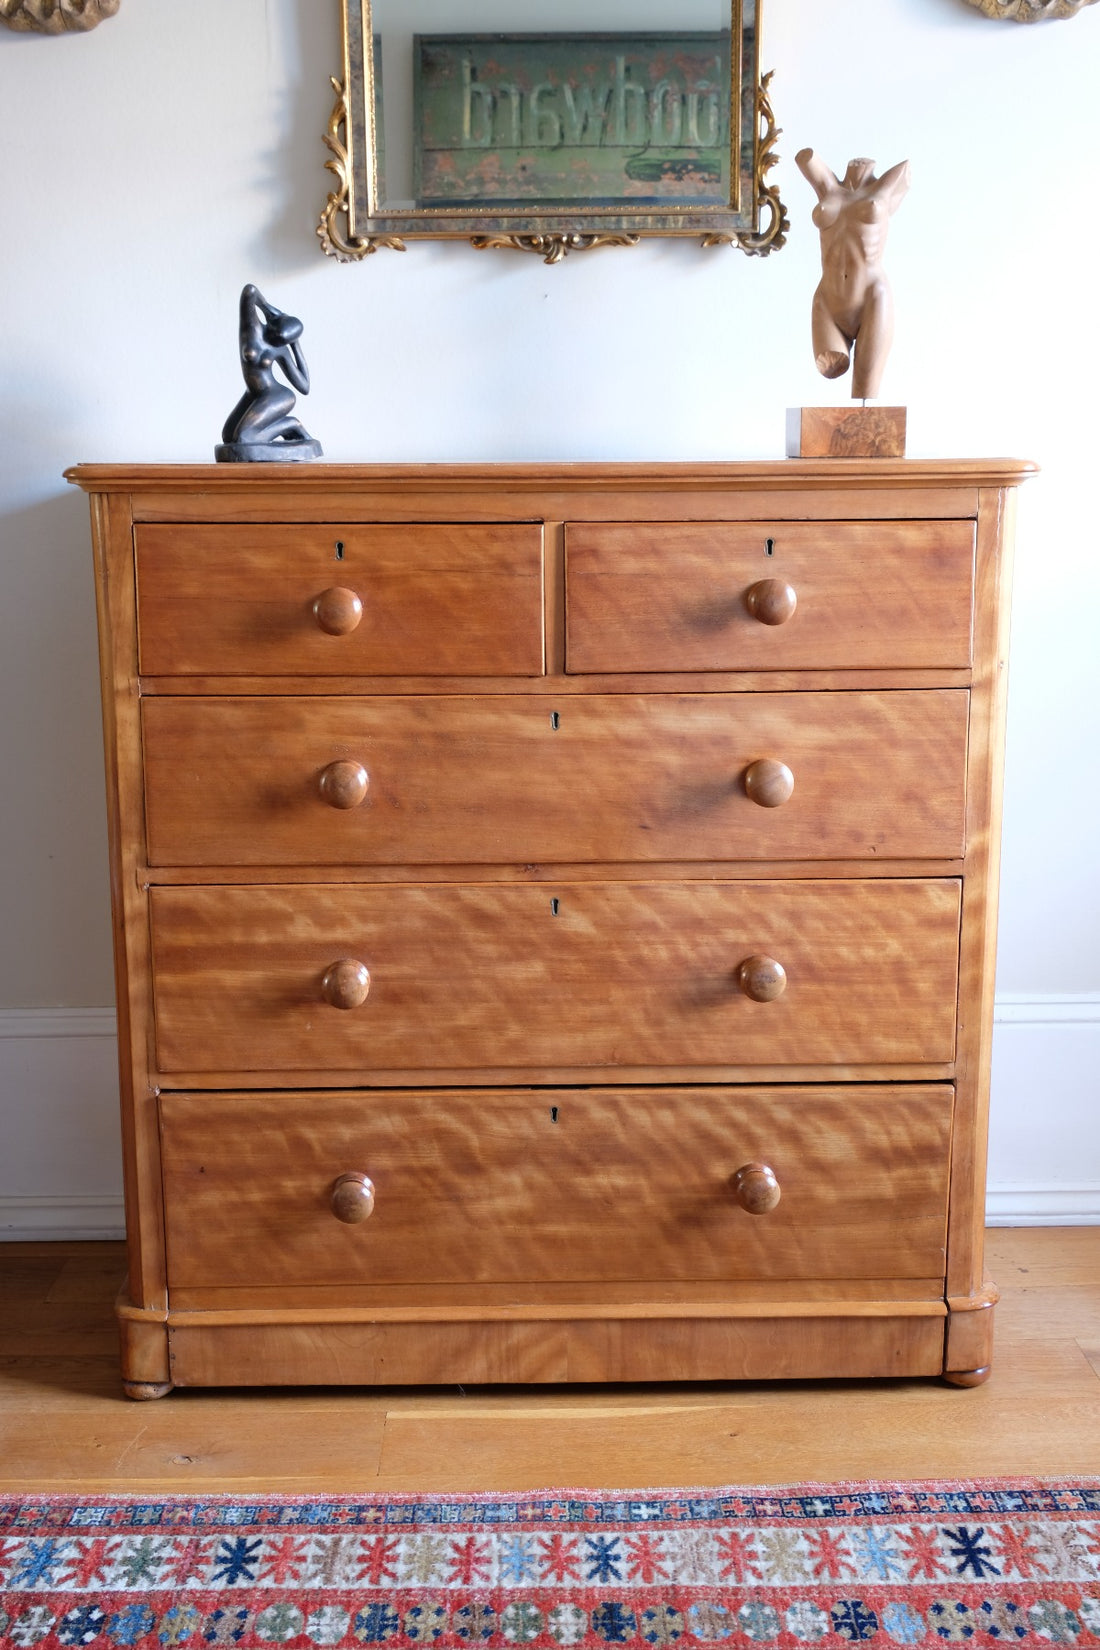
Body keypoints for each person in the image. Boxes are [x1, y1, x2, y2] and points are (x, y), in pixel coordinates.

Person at [795, 150, 910, 402]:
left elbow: (905, 174)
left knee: (865, 392)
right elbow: (804, 158)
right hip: (827, 299)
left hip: (872, 298)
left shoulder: (889, 184)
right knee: (831, 364)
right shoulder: (828, 187)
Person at [221, 285, 316, 449]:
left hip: (277, 396)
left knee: (244, 439)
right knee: (229, 437)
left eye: (284, 340)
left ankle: (292, 425)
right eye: (278, 335)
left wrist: (295, 345)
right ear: (272, 325)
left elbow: (304, 386)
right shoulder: (253, 330)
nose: (277, 341)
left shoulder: (282, 349)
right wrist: (269, 311)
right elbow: (249, 291)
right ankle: (288, 426)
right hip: (254, 394)